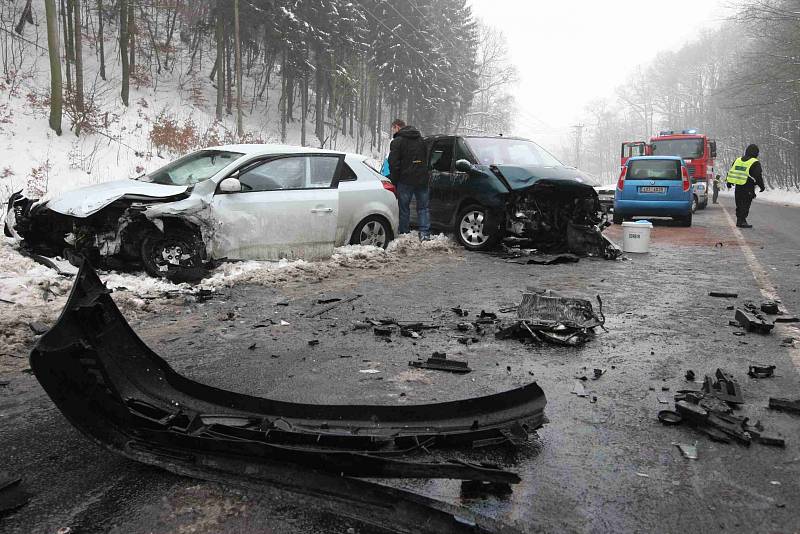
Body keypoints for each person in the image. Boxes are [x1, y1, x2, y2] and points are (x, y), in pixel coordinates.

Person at [388, 118, 430, 240]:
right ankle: (425, 234)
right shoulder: (421, 140)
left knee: (404, 208)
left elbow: (393, 163)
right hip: (422, 179)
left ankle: (404, 234)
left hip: (405, 180)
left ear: (397, 127)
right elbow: (425, 158)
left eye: (393, 129)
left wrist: (394, 181)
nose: (393, 131)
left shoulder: (397, 141)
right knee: (423, 208)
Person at [726, 144, 765, 228]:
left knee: (739, 203)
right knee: (746, 204)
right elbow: (758, 176)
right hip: (748, 187)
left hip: (738, 186)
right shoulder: (755, 162)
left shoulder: (738, 160)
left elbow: (731, 172)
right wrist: (762, 186)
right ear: (755, 153)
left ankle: (739, 220)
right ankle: (742, 221)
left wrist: (729, 182)